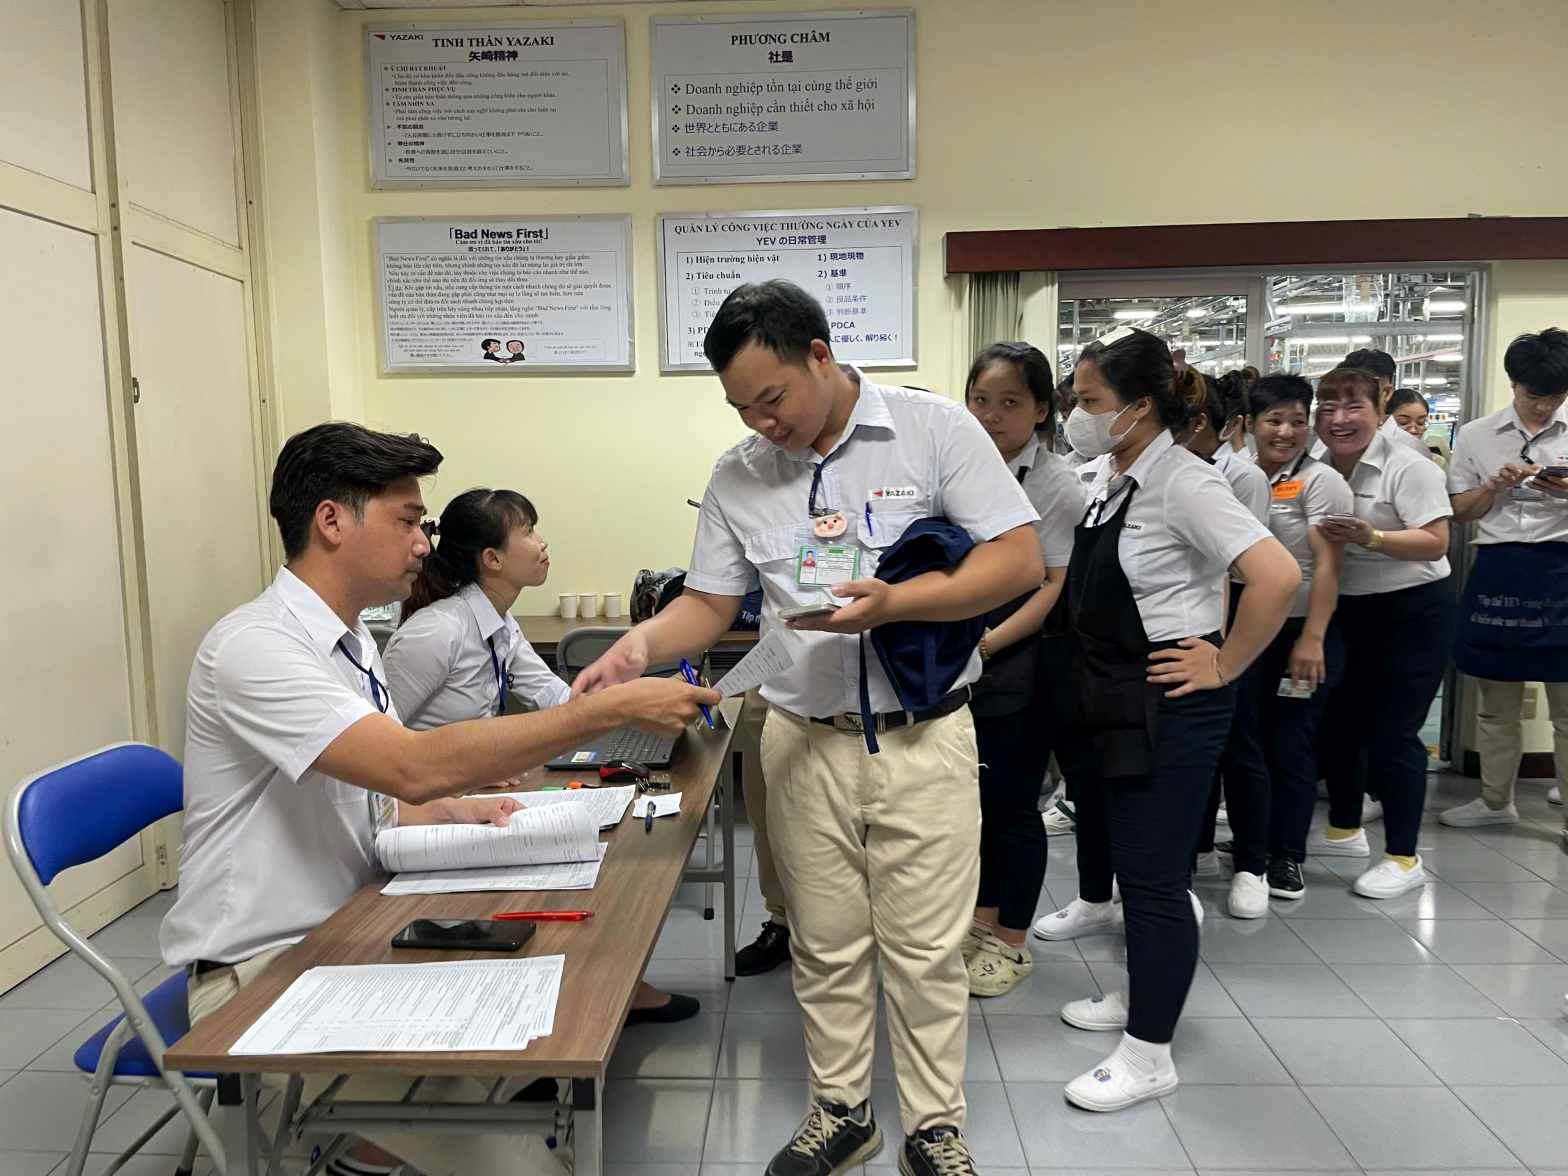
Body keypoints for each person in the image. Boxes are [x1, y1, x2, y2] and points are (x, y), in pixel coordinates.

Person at [572, 280, 1043, 1176]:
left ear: (820, 356)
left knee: (926, 950)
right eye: (741, 408)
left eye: (772, 398)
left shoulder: (932, 430)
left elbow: (1018, 561)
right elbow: (709, 604)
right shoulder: (739, 475)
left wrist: (895, 603)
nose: (762, 423)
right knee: (824, 942)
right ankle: (842, 1112)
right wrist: (638, 647)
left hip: (923, 733)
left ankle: (935, 1127)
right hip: (798, 734)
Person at [160, 423, 716, 1176]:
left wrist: (452, 809)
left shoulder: (351, 644)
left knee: (552, 1009)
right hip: (264, 973)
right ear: (331, 521)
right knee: (528, 1163)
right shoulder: (256, 647)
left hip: (349, 931)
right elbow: (407, 766)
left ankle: (391, 1138)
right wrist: (605, 711)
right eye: (408, 521)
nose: (425, 543)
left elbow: (366, 797)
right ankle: (359, 1138)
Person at [1048, 330, 1298, 1111]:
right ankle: (1142, 993)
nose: (1078, 413)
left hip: (1173, 700)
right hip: (1116, 692)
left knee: (1155, 880)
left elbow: (1276, 575)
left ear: (1139, 407)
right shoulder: (1111, 477)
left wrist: (1224, 663)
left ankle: (1149, 1054)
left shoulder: (1185, 483)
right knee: (1136, 870)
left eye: (1090, 400)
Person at [382, 487, 699, 1024]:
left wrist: (628, 697)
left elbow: (558, 701)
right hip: (434, 811)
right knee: (580, 854)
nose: (542, 543)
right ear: (493, 559)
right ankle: (581, 999)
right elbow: (385, 747)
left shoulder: (498, 623)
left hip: (480, 793)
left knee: (609, 842)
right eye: (528, 532)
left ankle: (610, 986)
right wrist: (464, 778)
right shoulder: (436, 632)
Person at [961, 342, 1085, 996]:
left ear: (1041, 409)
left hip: (1021, 657)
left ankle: (1012, 941)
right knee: (977, 805)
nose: (991, 415)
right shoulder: (963, 465)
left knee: (1013, 805)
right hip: (966, 659)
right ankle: (982, 922)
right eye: (981, 400)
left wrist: (987, 645)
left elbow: (1053, 585)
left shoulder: (1055, 482)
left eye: (1010, 402)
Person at [1306, 367, 1456, 898]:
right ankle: (1344, 828)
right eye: (1328, 407)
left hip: (1412, 609)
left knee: (1394, 734)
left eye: (1354, 407)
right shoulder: (1316, 463)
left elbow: (1436, 541)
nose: (1339, 419)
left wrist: (1371, 536)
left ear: (1379, 411)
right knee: (1339, 722)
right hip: (1346, 607)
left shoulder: (1408, 466)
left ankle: (1403, 856)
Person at [1226, 374, 1353, 906]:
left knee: (1291, 744)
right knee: (1244, 743)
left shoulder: (1321, 482)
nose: (1286, 432)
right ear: (1249, 424)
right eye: (1274, 420)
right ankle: (1250, 852)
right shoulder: (1234, 474)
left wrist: (1313, 639)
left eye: (1298, 421)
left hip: (1299, 632)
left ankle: (1286, 854)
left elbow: (1328, 566)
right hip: (1246, 628)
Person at [1439, 327, 1568, 842]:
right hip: (1498, 565)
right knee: (1495, 701)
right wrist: (1492, 486)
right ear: (1514, 383)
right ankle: (1496, 801)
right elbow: (1458, 512)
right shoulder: (1476, 435)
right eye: (1535, 395)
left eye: (1555, 396)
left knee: (1567, 709)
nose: (1544, 406)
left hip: (1563, 567)